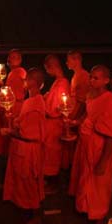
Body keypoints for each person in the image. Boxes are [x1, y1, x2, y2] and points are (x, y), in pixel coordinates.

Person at [69, 65, 112, 224]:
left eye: (96, 78)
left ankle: (99, 221)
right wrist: (75, 122)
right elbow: (88, 114)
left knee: (100, 185)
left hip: (100, 148)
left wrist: (103, 161)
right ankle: (88, 209)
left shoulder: (110, 100)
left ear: (106, 81)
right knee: (86, 179)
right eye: (91, 77)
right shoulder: (90, 95)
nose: (92, 80)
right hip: (85, 145)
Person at [2, 67, 46, 224]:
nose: (23, 82)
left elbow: (30, 134)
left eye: (26, 79)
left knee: (30, 183)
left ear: (34, 82)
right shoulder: (31, 101)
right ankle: (27, 210)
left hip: (29, 150)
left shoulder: (35, 104)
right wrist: (13, 119)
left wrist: (9, 131)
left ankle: (36, 218)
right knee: (24, 182)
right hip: (23, 149)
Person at [42, 54, 70, 190]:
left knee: (52, 151)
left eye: (47, 69)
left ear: (50, 67)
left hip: (54, 122)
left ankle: (52, 180)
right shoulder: (58, 81)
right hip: (51, 122)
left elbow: (58, 107)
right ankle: (51, 177)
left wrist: (45, 108)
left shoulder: (62, 83)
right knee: (50, 151)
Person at [64, 51, 89, 170]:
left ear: (76, 60)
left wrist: (75, 119)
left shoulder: (83, 76)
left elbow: (84, 102)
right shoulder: (76, 75)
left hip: (79, 116)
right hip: (73, 113)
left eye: (68, 60)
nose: (67, 63)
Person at [2, 49, 27, 155]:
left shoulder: (20, 72)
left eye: (14, 57)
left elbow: (22, 89)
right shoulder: (12, 73)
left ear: (20, 60)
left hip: (16, 106)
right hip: (11, 105)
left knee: (14, 131)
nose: (11, 59)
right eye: (10, 57)